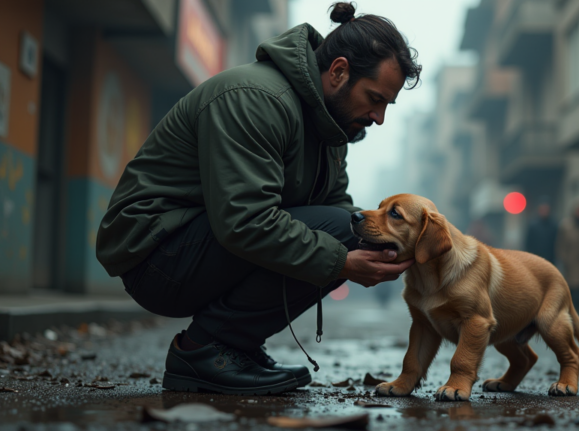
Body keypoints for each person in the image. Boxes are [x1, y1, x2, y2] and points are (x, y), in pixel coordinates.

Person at [95, 3, 420, 395]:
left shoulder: (331, 128)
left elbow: (338, 208)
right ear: (338, 71)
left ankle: (236, 346)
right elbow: (244, 220)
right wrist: (341, 262)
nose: (379, 117)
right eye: (375, 98)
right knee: (342, 238)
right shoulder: (257, 98)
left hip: (196, 245)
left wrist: (392, 239)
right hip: (155, 254)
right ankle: (203, 351)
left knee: (358, 230)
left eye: (387, 104)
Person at [524, 198, 557, 263]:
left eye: (546, 209)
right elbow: (528, 244)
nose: (544, 211)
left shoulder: (553, 226)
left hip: (550, 260)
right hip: (535, 259)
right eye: (543, 209)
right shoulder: (533, 226)